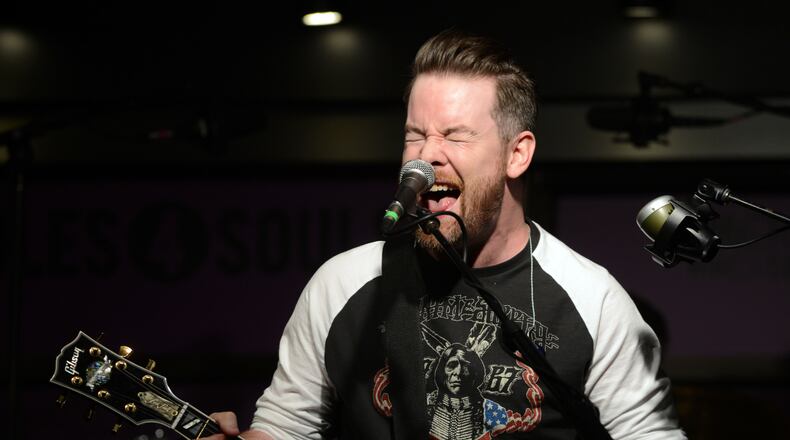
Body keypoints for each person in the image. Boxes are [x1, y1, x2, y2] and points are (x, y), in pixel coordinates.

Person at [207, 30, 685, 440]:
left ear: (516, 155)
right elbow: (286, 424)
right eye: (415, 135)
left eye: (455, 135)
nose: (426, 156)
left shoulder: (591, 298)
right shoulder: (342, 283)